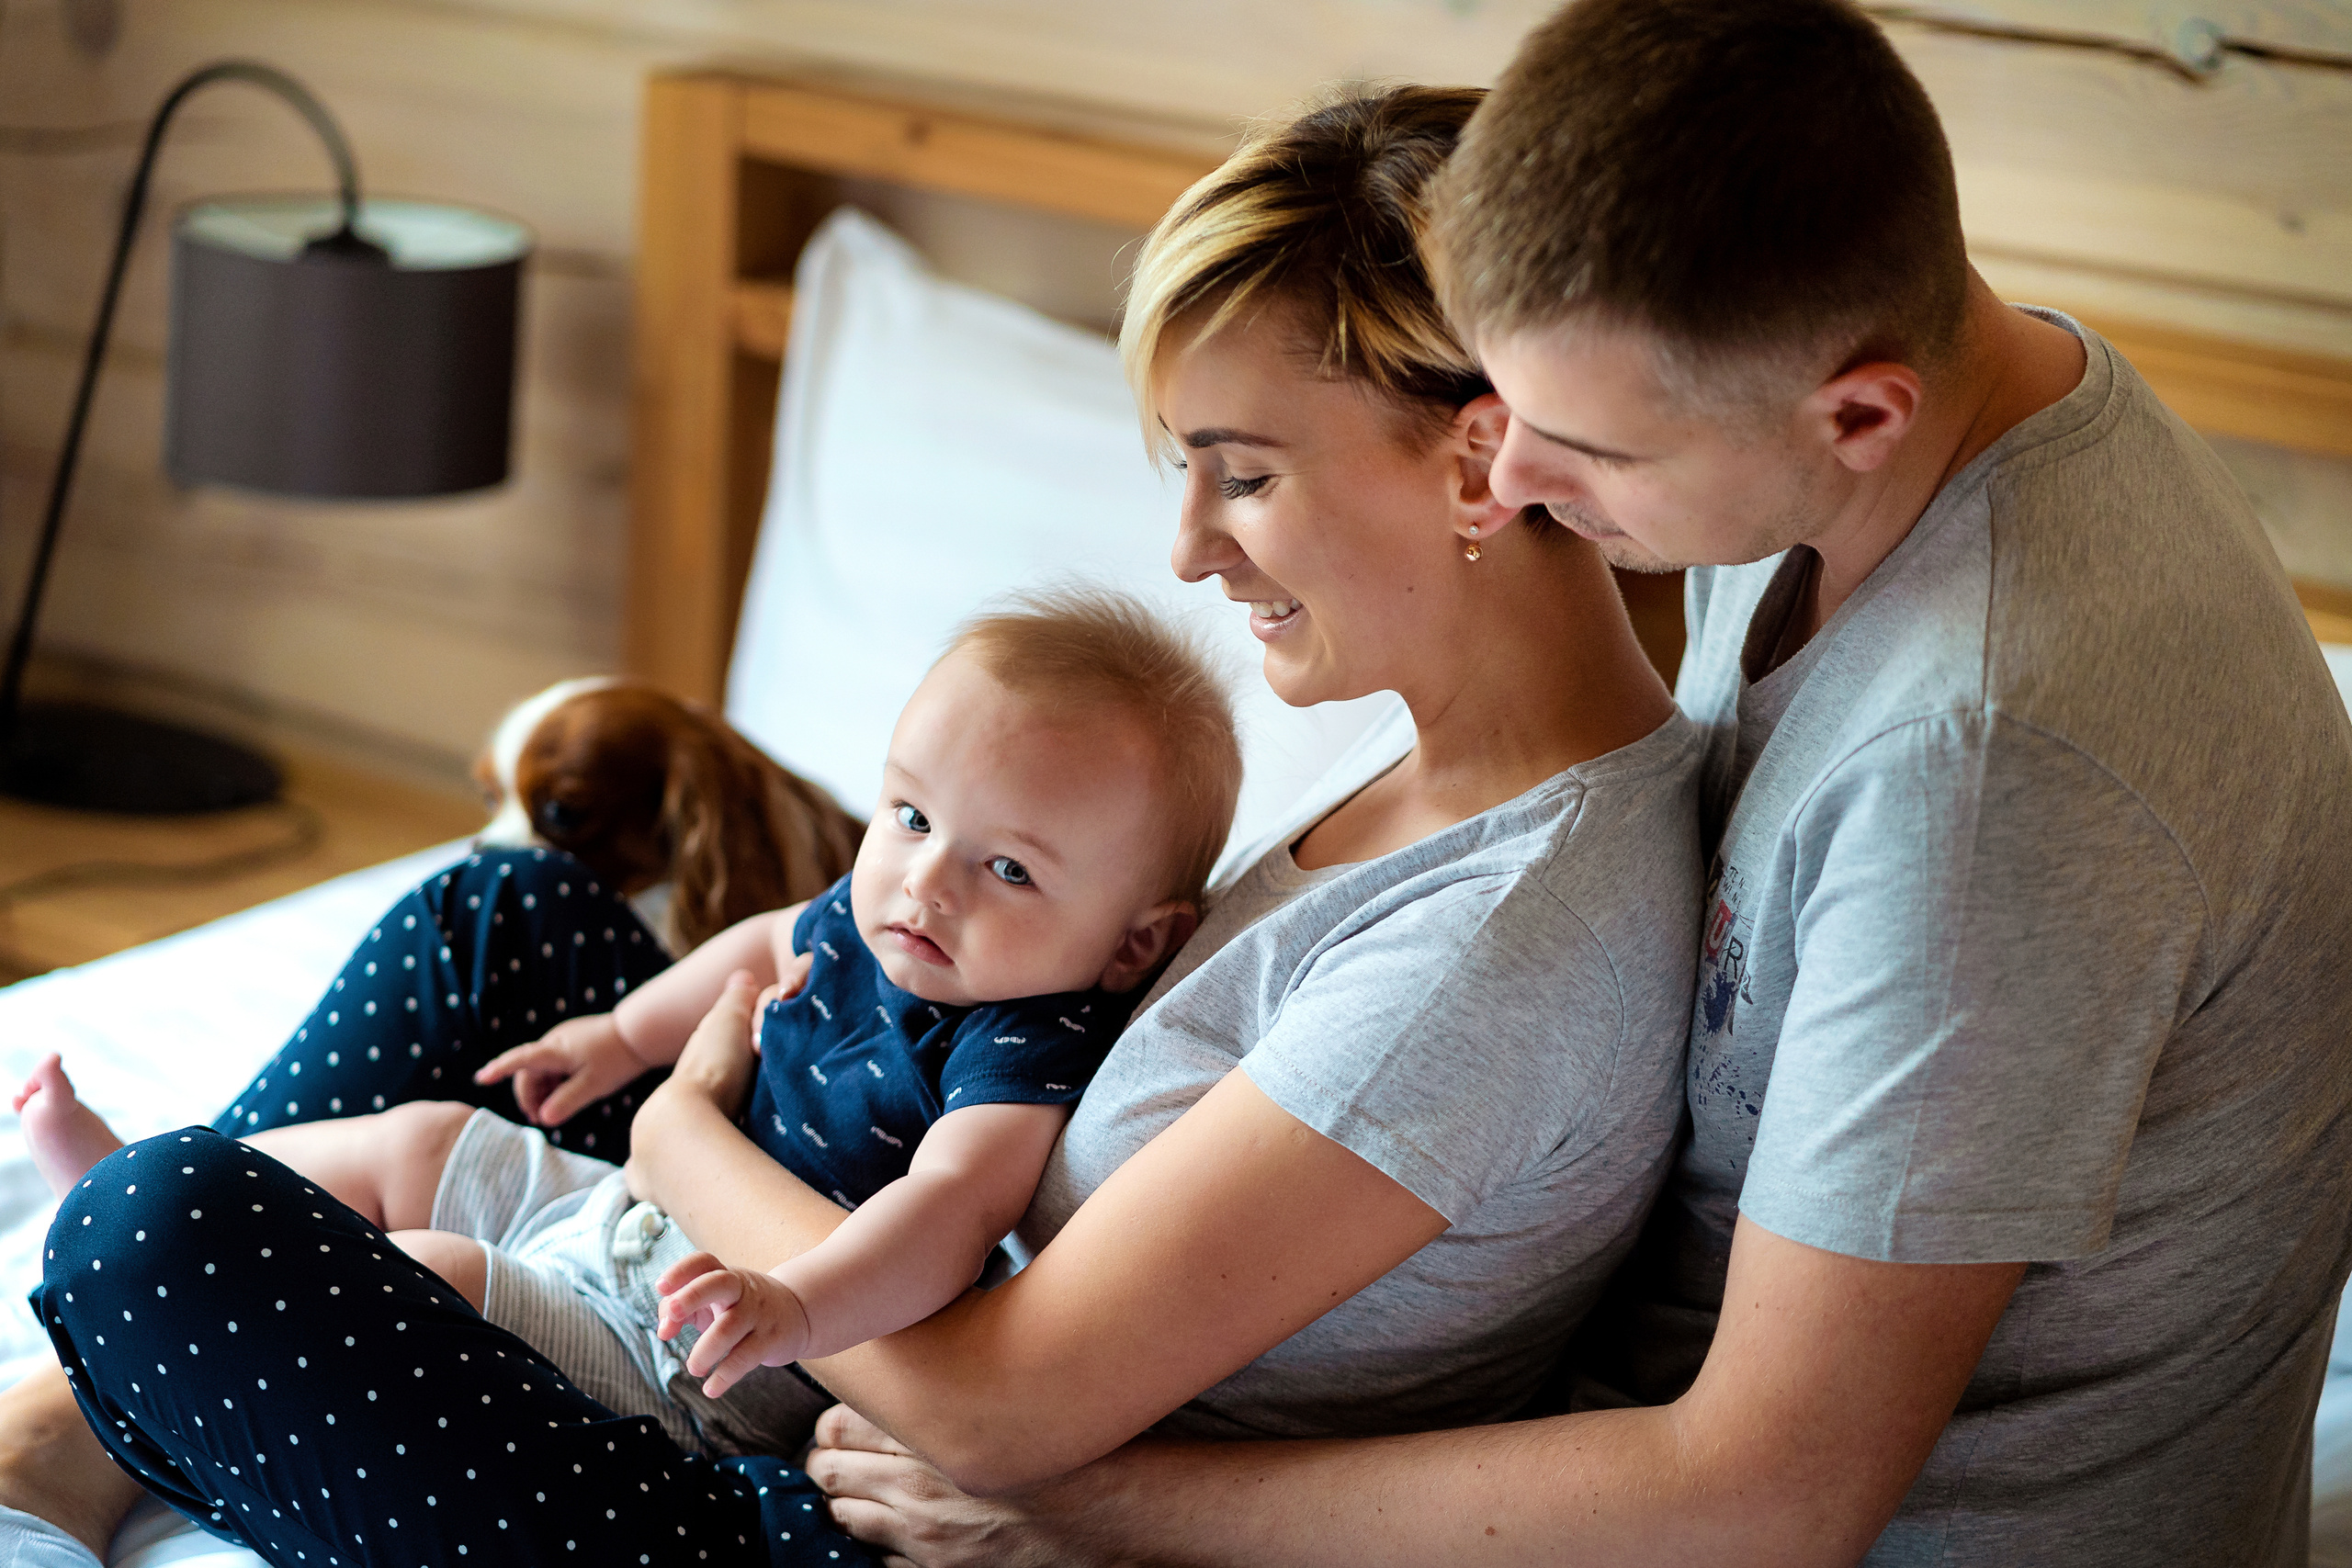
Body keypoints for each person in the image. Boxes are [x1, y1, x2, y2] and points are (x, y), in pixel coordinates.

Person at [0, 84, 1704, 1568]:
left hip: (814, 1500)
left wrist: (681, 1134)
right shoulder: (1445, 760)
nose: (1190, 549)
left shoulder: (1491, 948)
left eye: (1244, 473)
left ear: (1484, 467)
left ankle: (68, 1416)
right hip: (814, 1271)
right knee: (502, 923)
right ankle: (89, 1409)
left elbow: (1002, 1408)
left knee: (151, 1236)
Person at [797, 2, 2352, 1564]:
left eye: (1587, 451)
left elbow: (1774, 1499)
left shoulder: (1987, 773)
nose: (1517, 483)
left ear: (1857, 412)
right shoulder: (1889, 423)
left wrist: (1093, 1507)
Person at [16, 589, 1236, 1455]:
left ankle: (184, 1328)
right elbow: (760, 945)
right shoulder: (886, 920)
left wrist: (796, 1306)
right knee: (419, 1141)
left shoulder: (1024, 1041)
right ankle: (146, 1183)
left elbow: (952, 1211)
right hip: (627, 1216)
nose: (927, 886)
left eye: (1010, 871)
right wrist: (619, 1038)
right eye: (910, 818)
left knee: (433, 1274)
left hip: (712, 1355)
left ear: (1134, 941)